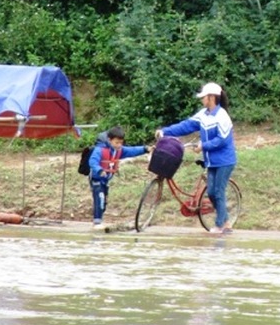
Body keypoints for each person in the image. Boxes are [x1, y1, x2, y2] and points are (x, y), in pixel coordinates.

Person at [157, 82, 237, 234]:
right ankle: (226, 221)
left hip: (225, 161)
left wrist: (203, 146)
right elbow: (186, 126)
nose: (201, 100)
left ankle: (220, 225)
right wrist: (165, 132)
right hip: (211, 161)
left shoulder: (222, 116)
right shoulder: (203, 114)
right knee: (212, 193)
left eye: (203, 97)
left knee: (218, 192)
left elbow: (222, 140)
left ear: (211, 98)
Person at [88, 126, 150, 230]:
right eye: (117, 142)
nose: (119, 145)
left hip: (106, 180)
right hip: (97, 179)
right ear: (109, 140)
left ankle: (98, 219)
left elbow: (132, 150)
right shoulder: (100, 150)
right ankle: (97, 223)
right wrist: (99, 170)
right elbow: (92, 161)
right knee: (100, 198)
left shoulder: (119, 150)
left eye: (121, 142)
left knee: (104, 201)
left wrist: (145, 149)